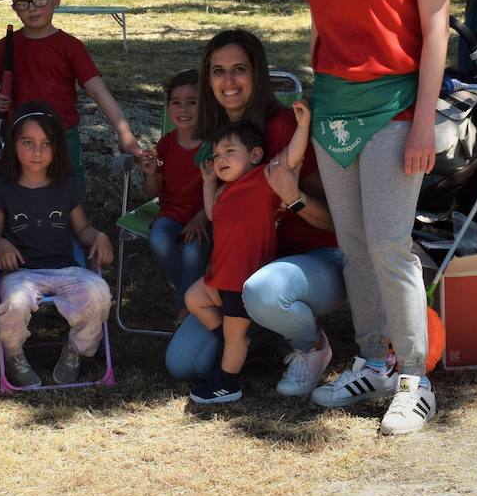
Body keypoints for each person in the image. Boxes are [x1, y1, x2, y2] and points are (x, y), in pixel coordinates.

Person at [301, 0, 459, 436]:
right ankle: (371, 360)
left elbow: (436, 31)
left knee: (391, 243)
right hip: (334, 109)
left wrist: (425, 122)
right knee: (355, 247)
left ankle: (415, 379)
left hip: (394, 106)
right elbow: (324, 28)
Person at [165, 29, 342, 399]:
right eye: (218, 71)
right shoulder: (220, 138)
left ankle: (310, 346)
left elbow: (336, 222)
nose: (228, 81)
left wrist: (294, 198)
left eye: (239, 69)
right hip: (246, 269)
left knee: (262, 290)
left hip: (313, 261)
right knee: (185, 364)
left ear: (257, 73)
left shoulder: (283, 129)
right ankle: (254, 336)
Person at [186, 108, 311, 405]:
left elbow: (291, 157)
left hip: (243, 277)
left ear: (255, 155)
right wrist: (208, 184)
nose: (220, 159)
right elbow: (215, 216)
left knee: (234, 331)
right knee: (194, 300)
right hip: (220, 274)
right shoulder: (224, 190)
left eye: (229, 151)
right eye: (216, 155)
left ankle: (228, 383)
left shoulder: (263, 178)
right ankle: (237, 346)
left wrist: (303, 125)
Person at [0, 102, 112, 387]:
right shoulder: (2, 188)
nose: (37, 151)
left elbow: (83, 229)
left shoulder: (66, 186)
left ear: (57, 149)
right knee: (13, 303)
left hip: (65, 268)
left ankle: (76, 351)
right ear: (13, 145)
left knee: (99, 291)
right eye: (28, 143)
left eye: (45, 143)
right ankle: (14, 354)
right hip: (22, 273)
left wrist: (99, 236)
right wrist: (1, 244)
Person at [0, 0, 142, 173]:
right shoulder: (6, 45)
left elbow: (97, 90)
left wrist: (124, 132)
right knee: (18, 200)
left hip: (63, 137)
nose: (32, 8)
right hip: (20, 138)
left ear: (56, 0)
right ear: (14, 7)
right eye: (22, 3)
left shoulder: (71, 47)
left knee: (69, 199)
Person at [141, 70, 209, 310]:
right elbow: (152, 192)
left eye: (192, 102)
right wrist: (149, 174)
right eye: (176, 103)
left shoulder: (214, 144)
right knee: (159, 238)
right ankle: (194, 299)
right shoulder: (167, 144)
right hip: (171, 212)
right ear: (168, 108)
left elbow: (224, 191)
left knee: (192, 251)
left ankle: (185, 311)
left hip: (207, 215)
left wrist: (202, 217)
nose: (184, 109)